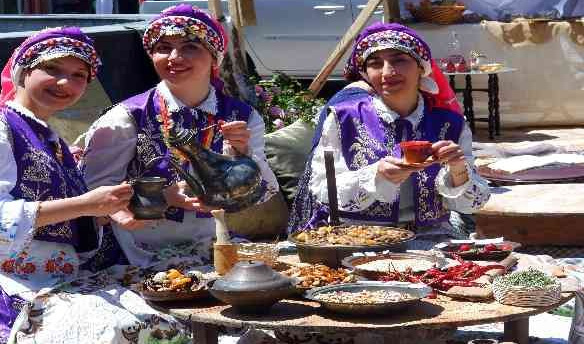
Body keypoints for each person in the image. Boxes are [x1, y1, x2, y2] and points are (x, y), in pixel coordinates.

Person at [0, 27, 190, 344]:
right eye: (52, 69)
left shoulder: (52, 141)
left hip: (52, 274)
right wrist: (84, 205)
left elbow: (66, 218)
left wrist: (113, 210)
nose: (66, 83)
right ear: (24, 70)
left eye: (79, 75)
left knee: (170, 313)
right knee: (125, 331)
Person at [81, 4, 279, 271]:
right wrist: (161, 196)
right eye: (163, 48)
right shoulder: (126, 118)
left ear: (214, 57)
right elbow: (92, 196)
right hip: (137, 251)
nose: (175, 57)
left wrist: (243, 155)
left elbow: (261, 193)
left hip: (211, 243)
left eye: (190, 47)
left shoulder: (241, 115)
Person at [288, 23, 490, 246]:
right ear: (366, 74)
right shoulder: (343, 118)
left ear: (421, 67)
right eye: (375, 64)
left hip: (432, 240)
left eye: (399, 60)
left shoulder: (450, 124)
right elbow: (322, 190)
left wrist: (458, 169)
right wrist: (376, 175)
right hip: (360, 241)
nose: (387, 72)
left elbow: (472, 204)